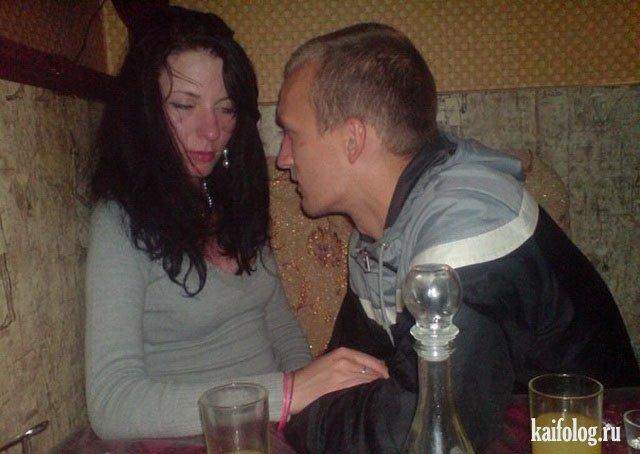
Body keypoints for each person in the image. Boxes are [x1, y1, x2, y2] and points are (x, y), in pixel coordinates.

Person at [275, 23, 640, 453]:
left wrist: (292, 416)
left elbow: (415, 430)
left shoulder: (467, 232)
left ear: (353, 140)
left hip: (594, 438)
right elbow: (345, 374)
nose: (282, 158)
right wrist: (305, 401)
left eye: (291, 134)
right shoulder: (378, 238)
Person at [85, 7, 387, 440]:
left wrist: (316, 416)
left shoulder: (233, 200)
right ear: (144, 111)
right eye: (184, 105)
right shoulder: (119, 221)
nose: (211, 130)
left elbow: (281, 329)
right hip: (195, 440)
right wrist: (288, 393)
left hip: (274, 430)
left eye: (226, 109)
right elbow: (111, 404)